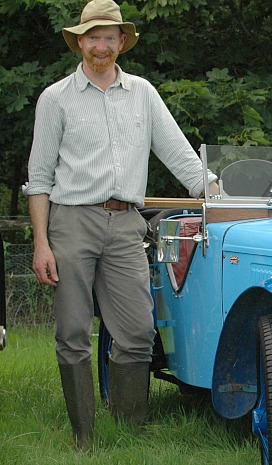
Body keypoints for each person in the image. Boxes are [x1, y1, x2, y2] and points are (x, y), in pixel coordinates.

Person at [25, 0, 217, 450]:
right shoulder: (56, 99)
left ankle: (128, 432)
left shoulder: (144, 94)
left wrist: (216, 189)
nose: (101, 46)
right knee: (73, 333)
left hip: (128, 224)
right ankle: (84, 438)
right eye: (93, 37)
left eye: (110, 38)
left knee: (137, 332)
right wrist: (41, 243)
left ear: (122, 44)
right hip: (71, 223)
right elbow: (38, 180)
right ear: (80, 42)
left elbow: (184, 160)